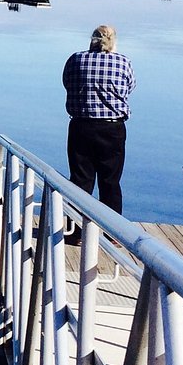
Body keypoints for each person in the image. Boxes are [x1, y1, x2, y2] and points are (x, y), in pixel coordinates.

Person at [62, 25, 135, 228]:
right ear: (113, 42)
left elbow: (67, 83)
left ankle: (76, 230)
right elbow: (129, 87)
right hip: (112, 128)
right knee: (110, 181)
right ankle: (112, 232)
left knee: (80, 180)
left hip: (81, 126)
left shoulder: (76, 59)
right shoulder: (122, 62)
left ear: (91, 40)